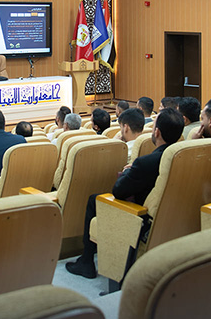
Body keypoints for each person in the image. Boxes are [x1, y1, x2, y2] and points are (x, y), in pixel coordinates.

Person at [65, 108, 185, 279]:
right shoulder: (183, 156)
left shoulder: (145, 163)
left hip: (139, 216)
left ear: (157, 132)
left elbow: (118, 191)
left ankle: (86, 261)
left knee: (94, 200)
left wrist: (128, 172)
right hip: (170, 215)